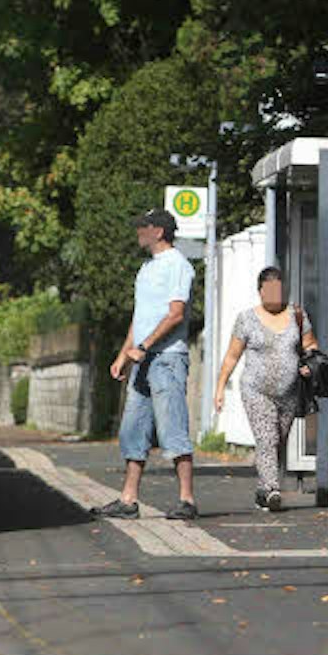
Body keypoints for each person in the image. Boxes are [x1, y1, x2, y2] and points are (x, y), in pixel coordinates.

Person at [93, 209, 197, 520]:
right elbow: (140, 318)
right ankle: (128, 500)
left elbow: (176, 314)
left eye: (144, 226)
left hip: (167, 359)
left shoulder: (178, 265)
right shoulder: (147, 268)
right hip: (142, 359)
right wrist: (124, 354)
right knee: (133, 429)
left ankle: (187, 500)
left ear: (159, 231)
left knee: (172, 428)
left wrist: (144, 346)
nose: (138, 231)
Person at [211, 267, 318, 511]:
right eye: (270, 290)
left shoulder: (297, 315)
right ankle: (272, 489)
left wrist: (309, 364)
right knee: (267, 438)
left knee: (278, 441)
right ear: (260, 291)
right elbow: (232, 356)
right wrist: (220, 388)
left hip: (289, 392)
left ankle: (262, 490)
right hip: (256, 390)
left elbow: (310, 345)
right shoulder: (247, 319)